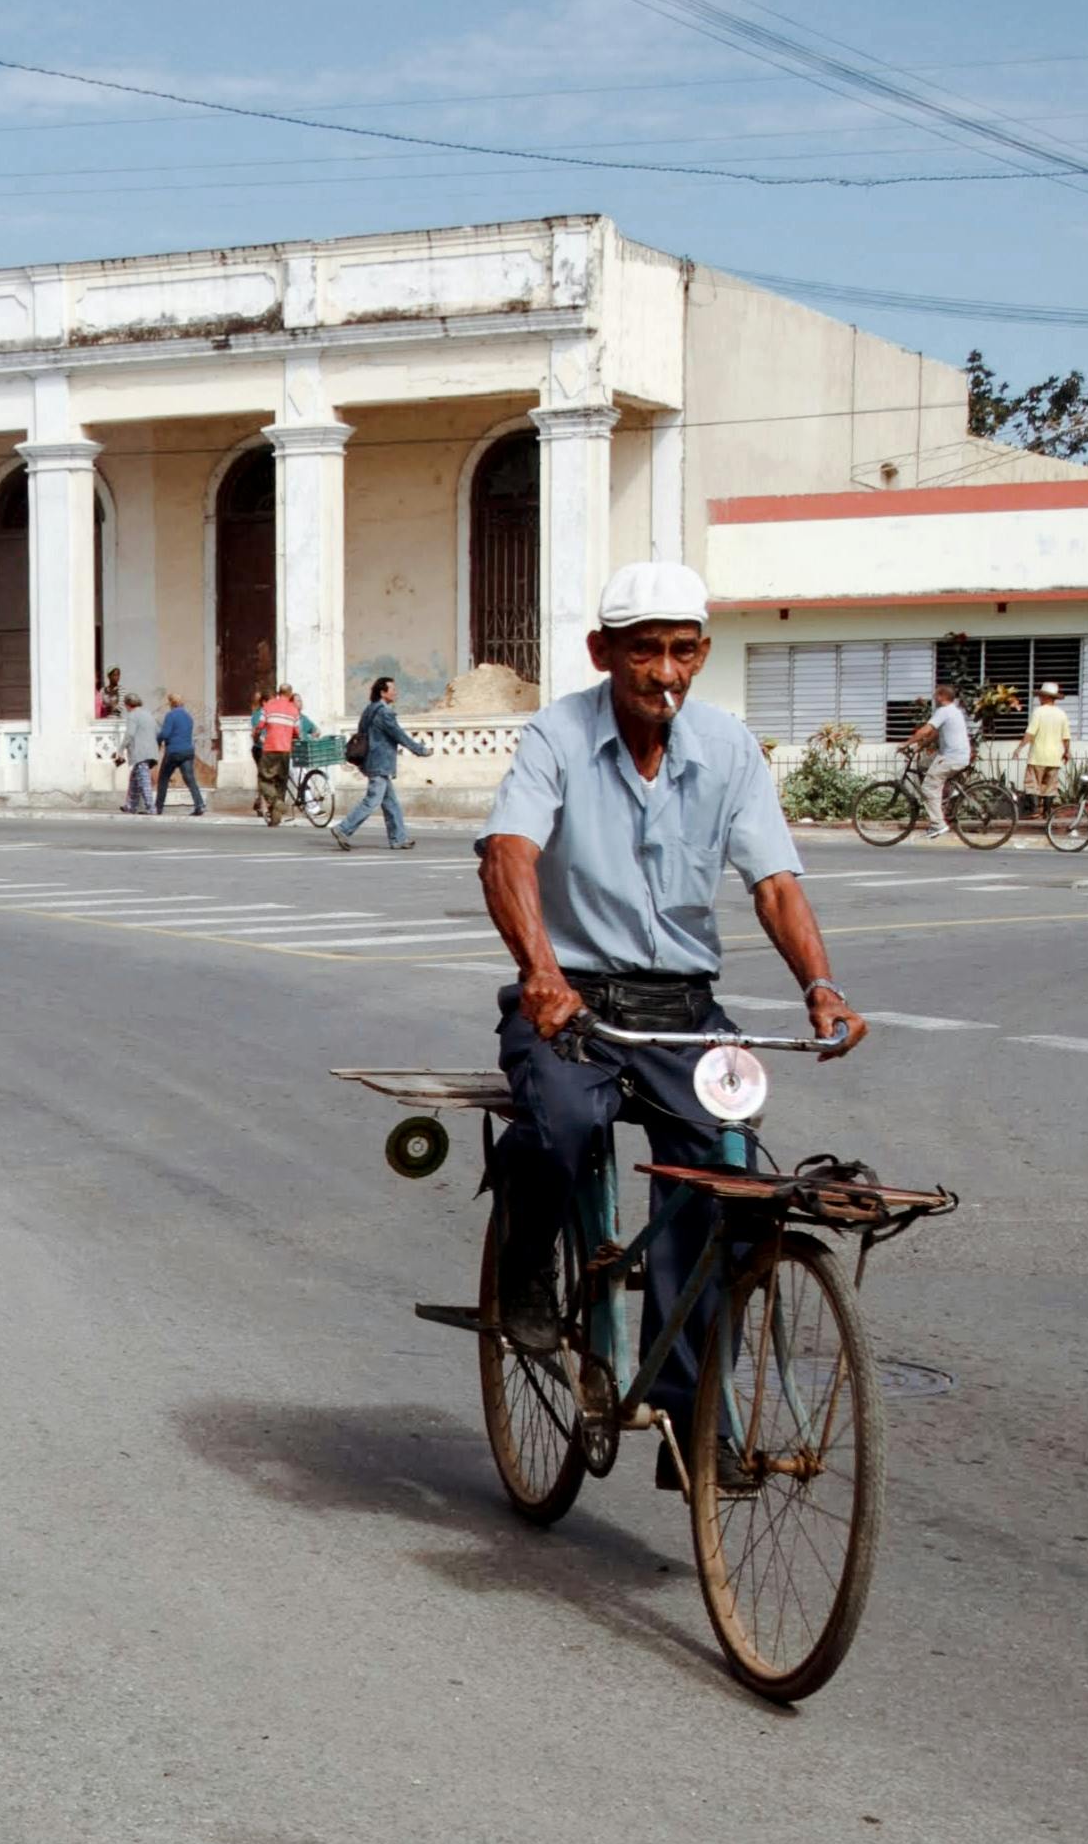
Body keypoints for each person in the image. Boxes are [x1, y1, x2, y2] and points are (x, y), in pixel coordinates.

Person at [479, 560, 867, 1485]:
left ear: (702, 652)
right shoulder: (557, 736)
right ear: (603, 652)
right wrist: (540, 974)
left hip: (682, 1010)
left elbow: (773, 881)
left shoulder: (729, 749)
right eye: (645, 651)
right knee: (562, 1122)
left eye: (683, 651)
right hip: (569, 997)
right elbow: (508, 855)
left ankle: (689, 1418)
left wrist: (821, 983)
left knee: (722, 1172)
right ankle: (530, 1263)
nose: (665, 672)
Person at [335, 678, 430, 850]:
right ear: (382, 692)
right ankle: (343, 829)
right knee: (372, 800)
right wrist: (420, 750)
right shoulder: (384, 713)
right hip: (380, 762)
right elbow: (398, 735)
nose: (395, 692)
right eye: (392, 689)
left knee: (391, 803)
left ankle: (398, 838)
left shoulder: (369, 710)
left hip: (372, 761)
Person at [907, 679, 973, 834]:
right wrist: (920, 747)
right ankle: (950, 795)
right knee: (926, 765)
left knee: (928, 787)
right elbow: (935, 734)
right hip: (960, 756)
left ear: (942, 696)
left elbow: (925, 730)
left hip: (951, 757)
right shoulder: (955, 711)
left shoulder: (943, 711)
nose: (934, 698)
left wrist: (906, 743)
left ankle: (938, 824)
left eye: (936, 695)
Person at [251, 681, 305, 826]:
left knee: (264, 779)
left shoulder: (269, 706)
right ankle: (276, 818)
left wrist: (255, 735)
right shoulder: (294, 710)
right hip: (285, 750)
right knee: (281, 782)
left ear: (278, 692)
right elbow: (297, 732)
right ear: (290, 694)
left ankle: (277, 804)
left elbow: (260, 726)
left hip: (270, 749)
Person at [106, 667, 152, 812]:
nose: (116, 677)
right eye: (114, 674)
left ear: (127, 704)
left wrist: (120, 751)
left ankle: (151, 807)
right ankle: (130, 805)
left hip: (141, 753)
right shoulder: (146, 714)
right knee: (134, 780)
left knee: (143, 781)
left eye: (118, 674)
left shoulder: (133, 716)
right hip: (145, 752)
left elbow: (129, 735)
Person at [1019, 680, 1072, 803]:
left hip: (1038, 756)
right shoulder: (1062, 714)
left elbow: (1030, 733)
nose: (1039, 697)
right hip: (1054, 757)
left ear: (1046, 696)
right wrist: (1066, 752)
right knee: (1050, 787)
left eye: (1041, 695)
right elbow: (1066, 737)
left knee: (1032, 784)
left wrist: (1020, 748)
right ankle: (1046, 813)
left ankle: (1034, 810)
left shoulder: (1039, 712)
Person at [152, 693, 204, 815]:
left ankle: (158, 807)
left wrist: (158, 740)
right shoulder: (188, 716)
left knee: (163, 778)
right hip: (188, 751)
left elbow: (165, 734)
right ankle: (199, 805)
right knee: (190, 779)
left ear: (171, 703)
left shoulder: (170, 716)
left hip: (173, 752)